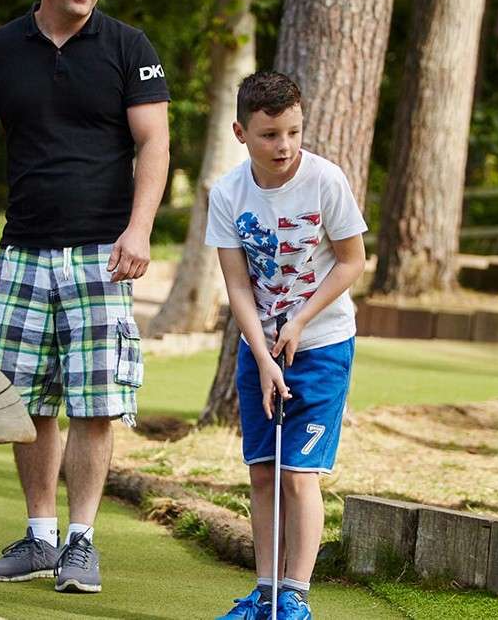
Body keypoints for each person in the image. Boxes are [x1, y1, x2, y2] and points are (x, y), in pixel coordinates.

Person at [0, 0, 170, 594]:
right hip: (22, 252)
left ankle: (81, 543)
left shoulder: (129, 47)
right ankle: (40, 536)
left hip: (102, 254)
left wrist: (139, 229)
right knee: (28, 402)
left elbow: (155, 143)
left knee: (95, 403)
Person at [206, 71, 367, 620]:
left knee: (298, 475)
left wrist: (298, 322)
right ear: (241, 133)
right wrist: (261, 354)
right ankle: (265, 592)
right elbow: (237, 286)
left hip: (322, 345)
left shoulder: (325, 180)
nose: (285, 146)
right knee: (263, 471)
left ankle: (295, 597)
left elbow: (352, 261)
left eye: (294, 132)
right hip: (260, 349)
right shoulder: (228, 193)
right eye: (270, 134)